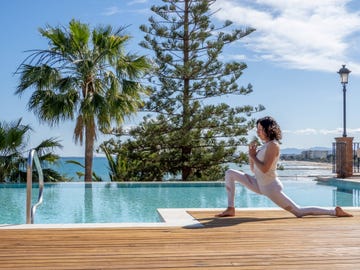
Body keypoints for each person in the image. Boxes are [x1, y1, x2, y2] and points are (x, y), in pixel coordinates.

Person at [216, 116, 353, 218]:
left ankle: (334, 211)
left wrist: (253, 156)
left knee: (298, 212)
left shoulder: (273, 145)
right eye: (257, 129)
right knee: (230, 173)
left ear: (268, 129)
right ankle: (230, 208)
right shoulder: (265, 146)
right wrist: (252, 156)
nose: (258, 132)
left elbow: (264, 169)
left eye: (260, 129)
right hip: (259, 184)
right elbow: (255, 170)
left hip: (270, 187)